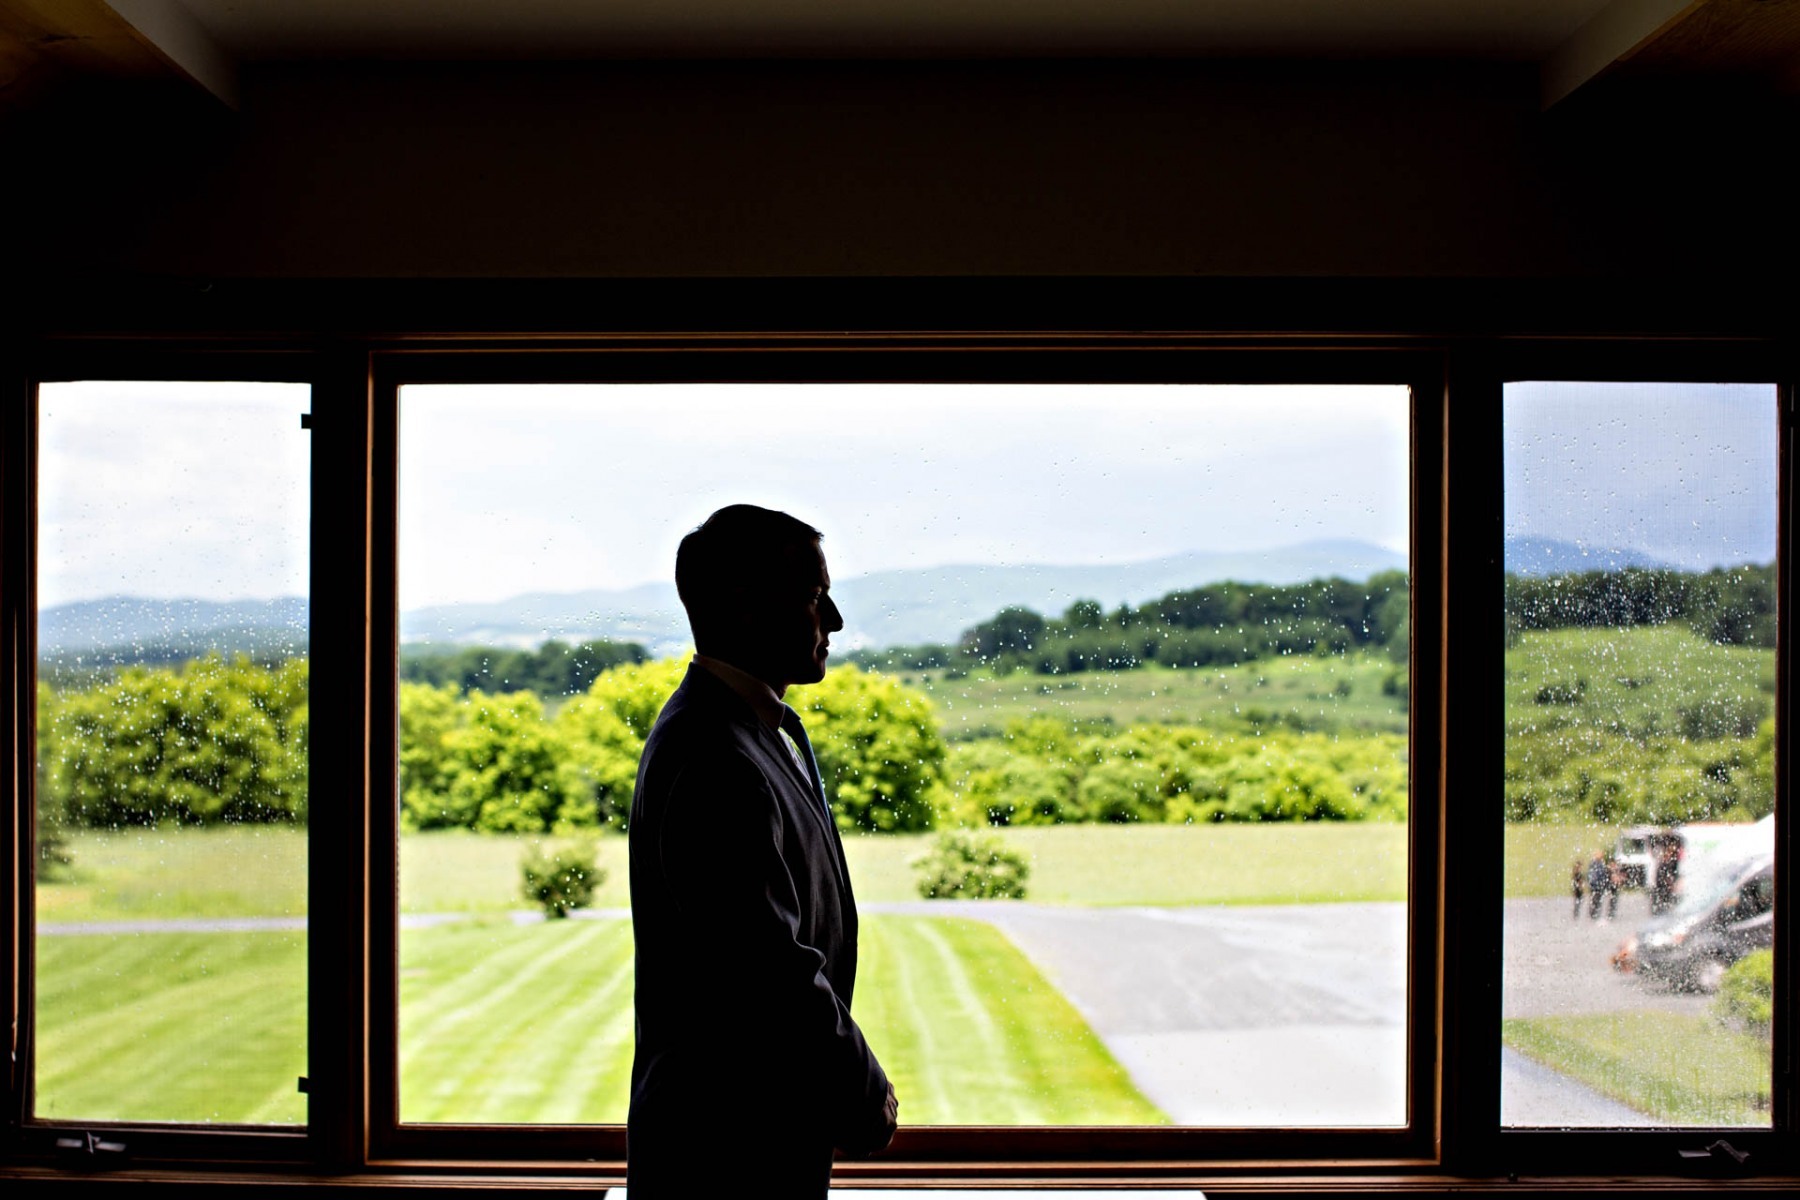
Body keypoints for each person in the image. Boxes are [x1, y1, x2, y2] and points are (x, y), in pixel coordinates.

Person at [627, 504, 897, 1198]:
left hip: (745, 1142)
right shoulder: (715, 752)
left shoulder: (740, 731)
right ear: (743, 604)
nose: (832, 620)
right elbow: (764, 963)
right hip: (725, 1158)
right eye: (814, 597)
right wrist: (860, 1087)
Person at [1587, 851, 1611, 921]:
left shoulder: (1599, 864)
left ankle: (1595, 914)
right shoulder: (1596, 864)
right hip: (1596, 885)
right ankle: (1593, 914)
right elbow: (1595, 875)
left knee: (1598, 900)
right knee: (1595, 899)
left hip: (1599, 886)